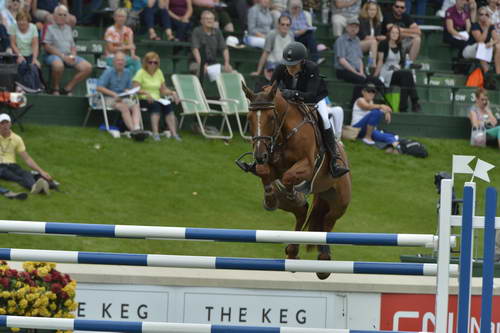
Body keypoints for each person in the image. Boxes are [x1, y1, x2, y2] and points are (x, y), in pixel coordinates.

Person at [270, 42, 349, 178]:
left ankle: (335, 160)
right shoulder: (281, 68)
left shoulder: (312, 68)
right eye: (288, 65)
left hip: (315, 100)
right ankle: (262, 158)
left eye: (293, 65)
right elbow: (271, 88)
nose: (290, 68)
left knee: (324, 120)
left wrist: (293, 94)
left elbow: (311, 94)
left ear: (302, 61)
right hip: (291, 100)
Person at [334, 17, 384, 107]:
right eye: (351, 26)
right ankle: (354, 105)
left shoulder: (357, 40)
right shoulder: (340, 40)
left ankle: (377, 102)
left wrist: (361, 72)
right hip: (343, 70)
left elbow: (359, 58)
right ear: (347, 27)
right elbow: (342, 60)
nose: (354, 28)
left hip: (357, 70)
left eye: (356, 27)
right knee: (361, 80)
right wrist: (356, 72)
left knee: (377, 81)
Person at [43, 5, 92, 95]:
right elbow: (47, 46)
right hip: (54, 56)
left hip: (68, 55)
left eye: (65, 15)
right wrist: (63, 57)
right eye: (60, 14)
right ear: (54, 16)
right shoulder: (49, 27)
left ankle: (68, 88)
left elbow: (73, 46)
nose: (62, 17)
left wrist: (72, 56)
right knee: (58, 65)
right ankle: (55, 88)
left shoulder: (68, 28)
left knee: (87, 67)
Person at [133, 52, 181, 142]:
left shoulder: (159, 72)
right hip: (143, 98)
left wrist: (172, 92)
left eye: (155, 62)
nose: (152, 64)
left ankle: (174, 134)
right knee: (156, 105)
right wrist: (146, 93)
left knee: (168, 106)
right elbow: (135, 89)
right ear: (146, 63)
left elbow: (163, 90)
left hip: (157, 98)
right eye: (150, 62)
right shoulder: (141, 72)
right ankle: (155, 133)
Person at [0, 113, 52, 195]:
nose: (4, 125)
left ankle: (36, 187)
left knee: (26, 173)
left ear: (10, 124)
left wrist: (41, 171)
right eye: (2, 123)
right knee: (15, 177)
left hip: (12, 165)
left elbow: (27, 158)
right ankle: (37, 188)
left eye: (6, 123)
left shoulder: (17, 138)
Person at [374, 25, 421, 112]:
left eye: (397, 33)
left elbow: (401, 62)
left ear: (399, 35)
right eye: (393, 32)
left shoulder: (400, 45)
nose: (394, 34)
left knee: (406, 78)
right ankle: (414, 102)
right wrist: (375, 76)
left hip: (397, 71)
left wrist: (398, 67)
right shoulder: (383, 43)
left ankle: (404, 107)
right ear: (389, 33)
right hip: (386, 72)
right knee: (407, 74)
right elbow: (380, 61)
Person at [97, 51, 143, 135]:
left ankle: (137, 127)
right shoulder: (108, 72)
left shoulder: (128, 72)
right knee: (124, 107)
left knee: (135, 106)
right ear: (114, 62)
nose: (120, 62)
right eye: (118, 60)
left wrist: (127, 91)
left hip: (122, 98)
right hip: (107, 98)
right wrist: (113, 94)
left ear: (125, 62)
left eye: (122, 60)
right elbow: (99, 87)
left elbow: (128, 87)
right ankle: (133, 131)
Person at [351, 84, 400, 152]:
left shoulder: (372, 103)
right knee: (376, 112)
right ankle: (367, 138)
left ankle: (395, 145)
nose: (371, 94)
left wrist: (387, 112)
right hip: (357, 128)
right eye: (369, 91)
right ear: (363, 92)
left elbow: (388, 109)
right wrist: (381, 106)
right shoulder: (360, 100)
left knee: (385, 136)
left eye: (373, 92)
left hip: (369, 130)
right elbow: (367, 107)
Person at [189, 10, 233, 76]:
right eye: (207, 19)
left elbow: (224, 48)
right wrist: (201, 64)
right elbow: (195, 49)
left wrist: (227, 63)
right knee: (202, 70)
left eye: (211, 19)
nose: (209, 21)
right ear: (201, 21)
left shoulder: (217, 32)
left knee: (230, 71)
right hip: (196, 63)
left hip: (213, 63)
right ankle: (199, 86)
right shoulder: (197, 31)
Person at [383, 0, 421, 69]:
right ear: (393, 7)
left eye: (402, 7)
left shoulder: (406, 16)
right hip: (390, 42)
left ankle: (409, 63)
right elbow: (392, 32)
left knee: (417, 39)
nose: (399, 9)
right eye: (397, 7)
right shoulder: (388, 16)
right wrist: (410, 33)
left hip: (403, 42)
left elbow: (418, 31)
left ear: (405, 9)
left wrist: (402, 30)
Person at [462, 6, 500, 75]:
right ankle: (487, 72)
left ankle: (498, 73)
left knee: (498, 46)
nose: (484, 16)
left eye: (486, 15)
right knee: (481, 45)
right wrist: (486, 28)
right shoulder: (475, 25)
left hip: (484, 48)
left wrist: (492, 42)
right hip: (470, 49)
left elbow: (497, 39)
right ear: (478, 16)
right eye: (481, 14)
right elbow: (480, 40)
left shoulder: (491, 26)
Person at [104, 8, 141, 75]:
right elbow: (111, 49)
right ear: (115, 18)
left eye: (123, 16)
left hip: (125, 57)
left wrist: (133, 55)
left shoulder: (128, 30)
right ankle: (138, 84)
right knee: (136, 62)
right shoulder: (110, 31)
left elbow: (131, 46)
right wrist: (125, 47)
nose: (121, 19)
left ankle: (131, 85)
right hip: (111, 58)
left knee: (131, 68)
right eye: (119, 16)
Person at [358, 0, 385, 70]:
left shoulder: (377, 22)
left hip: (372, 44)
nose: (373, 12)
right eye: (370, 9)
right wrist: (377, 38)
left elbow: (377, 36)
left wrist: (382, 38)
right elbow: (365, 37)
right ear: (366, 10)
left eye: (374, 10)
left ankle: (383, 64)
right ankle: (372, 65)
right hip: (358, 44)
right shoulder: (361, 20)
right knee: (373, 42)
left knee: (384, 43)